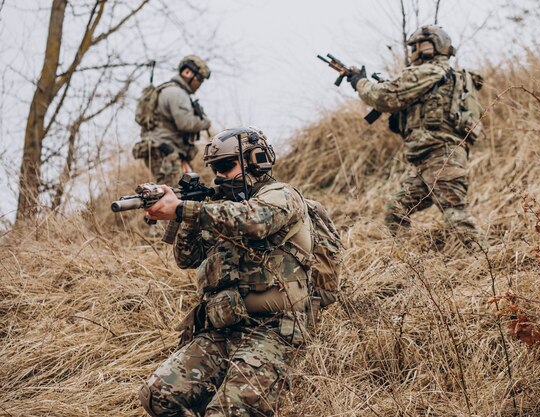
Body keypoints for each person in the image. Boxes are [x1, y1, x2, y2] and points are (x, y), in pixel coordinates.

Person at [138, 127, 314, 417]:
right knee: (158, 396)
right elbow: (187, 258)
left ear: (257, 161)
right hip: (221, 330)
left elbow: (255, 220)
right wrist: (189, 213)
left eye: (226, 166)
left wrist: (185, 208)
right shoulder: (220, 209)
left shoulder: (281, 195)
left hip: (272, 331)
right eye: (214, 169)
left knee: (227, 412)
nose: (219, 176)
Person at [347, 25, 487, 249]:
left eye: (419, 45)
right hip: (427, 160)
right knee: (396, 211)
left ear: (434, 47)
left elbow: (385, 96)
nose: (415, 50)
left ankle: (486, 265)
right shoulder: (441, 77)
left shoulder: (430, 71)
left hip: (441, 157)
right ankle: (405, 263)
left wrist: (360, 82)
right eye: (414, 46)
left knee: (457, 218)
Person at [133, 55, 212, 186]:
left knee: (179, 192)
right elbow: (185, 123)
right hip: (166, 151)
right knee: (175, 194)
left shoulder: (168, 90)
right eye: (199, 79)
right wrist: (205, 122)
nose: (199, 84)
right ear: (187, 72)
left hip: (163, 149)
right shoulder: (177, 93)